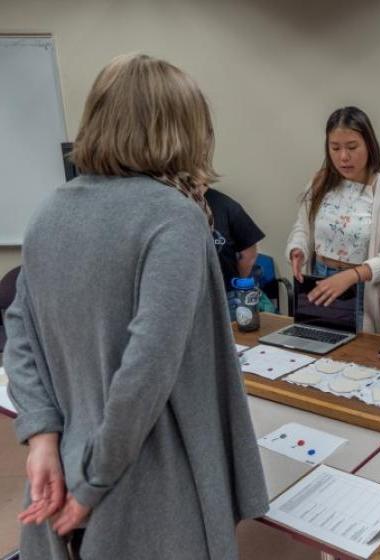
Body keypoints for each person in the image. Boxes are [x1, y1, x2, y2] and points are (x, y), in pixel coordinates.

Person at [3, 54, 268, 559]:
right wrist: (93, 483)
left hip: (66, 461)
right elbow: (145, 370)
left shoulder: (48, 211)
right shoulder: (174, 218)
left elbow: (19, 334)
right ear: (180, 129)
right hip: (149, 482)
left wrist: (40, 435)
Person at [286, 106, 380, 334]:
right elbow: (302, 227)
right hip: (321, 279)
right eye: (335, 148)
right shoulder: (320, 182)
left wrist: (351, 276)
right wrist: (298, 249)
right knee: (317, 343)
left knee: (357, 355)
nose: (343, 157)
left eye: (352, 147)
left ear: (369, 145)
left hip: (361, 288)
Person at [203, 186, 267, 315]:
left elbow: (249, 254)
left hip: (225, 296)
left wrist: (236, 283)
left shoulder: (226, 206)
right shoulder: (174, 204)